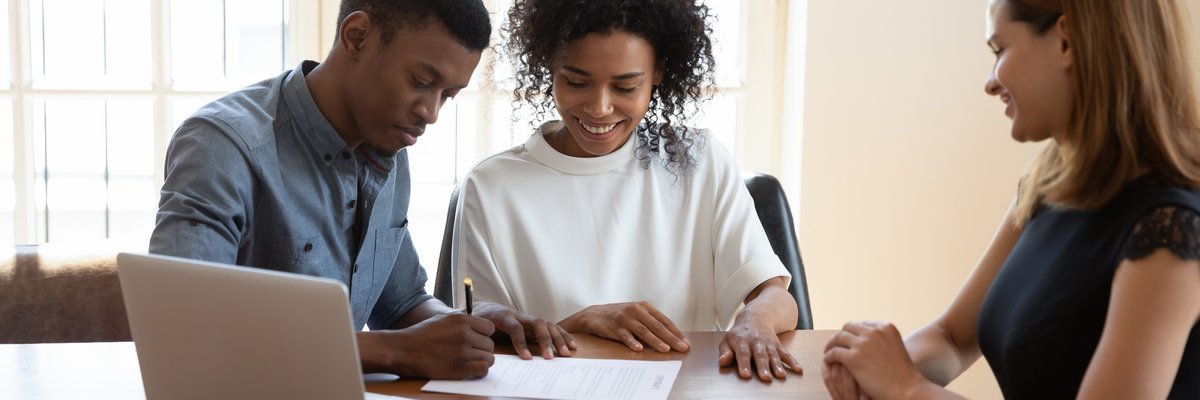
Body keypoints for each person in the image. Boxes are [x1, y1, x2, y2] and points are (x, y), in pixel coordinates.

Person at [822, 0, 1200, 398]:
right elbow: (951, 338)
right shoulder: (1048, 184)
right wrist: (871, 369)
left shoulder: (1171, 233)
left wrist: (906, 387)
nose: (990, 82)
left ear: (1066, 41)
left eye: (999, 49)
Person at [451, 0, 803, 382]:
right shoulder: (490, 187)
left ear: (658, 73)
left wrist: (755, 319)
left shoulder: (697, 161)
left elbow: (775, 295)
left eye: (625, 86)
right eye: (576, 81)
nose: (600, 107)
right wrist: (583, 321)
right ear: (549, 66)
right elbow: (483, 343)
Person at [149, 0, 499, 380]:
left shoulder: (388, 146)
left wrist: (474, 328)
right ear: (357, 37)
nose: (431, 113)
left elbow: (401, 304)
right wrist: (394, 351)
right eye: (421, 82)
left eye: (447, 95)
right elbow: (183, 326)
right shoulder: (222, 146)